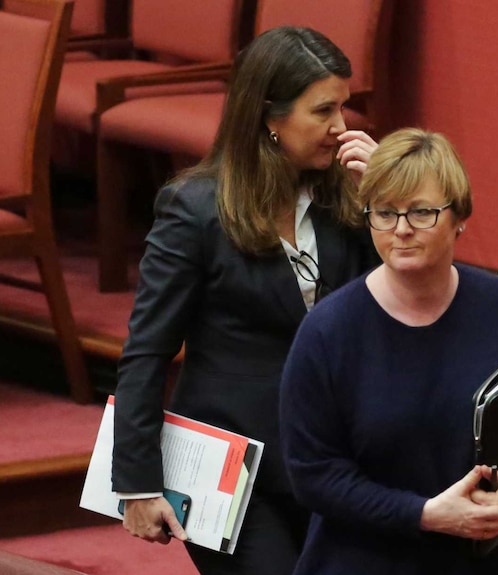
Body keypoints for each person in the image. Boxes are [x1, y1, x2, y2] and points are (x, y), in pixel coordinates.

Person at [111, 26, 381, 575]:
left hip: (328, 456)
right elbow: (146, 350)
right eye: (323, 110)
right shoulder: (196, 209)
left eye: (343, 108)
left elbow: (399, 305)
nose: (341, 127)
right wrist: (136, 483)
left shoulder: (348, 197)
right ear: (268, 116)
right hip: (229, 468)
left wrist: (389, 194)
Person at [279, 128, 498, 574]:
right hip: (362, 561)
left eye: (422, 212)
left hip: (485, 563)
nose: (402, 229)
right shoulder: (328, 331)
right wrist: (426, 515)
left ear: (459, 216)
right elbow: (313, 474)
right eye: (385, 213)